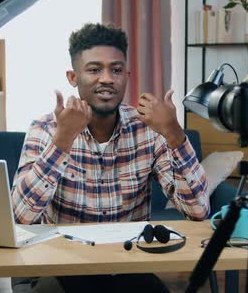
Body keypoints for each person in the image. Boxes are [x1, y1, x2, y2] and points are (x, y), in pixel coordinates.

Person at [10, 23, 209, 293]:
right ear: (73, 76)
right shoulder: (45, 128)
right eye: (94, 70)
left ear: (126, 75)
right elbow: (20, 217)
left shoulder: (149, 130)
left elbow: (197, 211)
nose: (106, 78)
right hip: (62, 266)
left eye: (116, 70)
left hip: (127, 266)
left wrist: (173, 132)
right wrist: (63, 140)